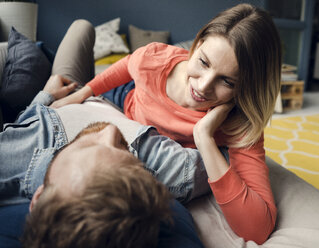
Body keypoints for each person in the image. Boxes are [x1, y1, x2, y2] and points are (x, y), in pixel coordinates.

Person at [52, 3, 282, 243]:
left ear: (247, 88)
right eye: (203, 62)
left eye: (227, 81)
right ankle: (73, 57)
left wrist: (204, 137)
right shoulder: (156, 58)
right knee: (70, 59)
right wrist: (82, 94)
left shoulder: (237, 124)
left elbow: (258, 229)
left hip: (137, 115)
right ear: (198, 44)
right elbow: (128, 64)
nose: (202, 86)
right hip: (121, 96)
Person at [0, 20, 205, 248]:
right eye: (123, 148)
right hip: (112, 99)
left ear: (39, 199)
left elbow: (20, 128)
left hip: (65, 96)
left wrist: (45, 97)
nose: (111, 130)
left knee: (81, 27)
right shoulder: (166, 169)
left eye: (86, 147)